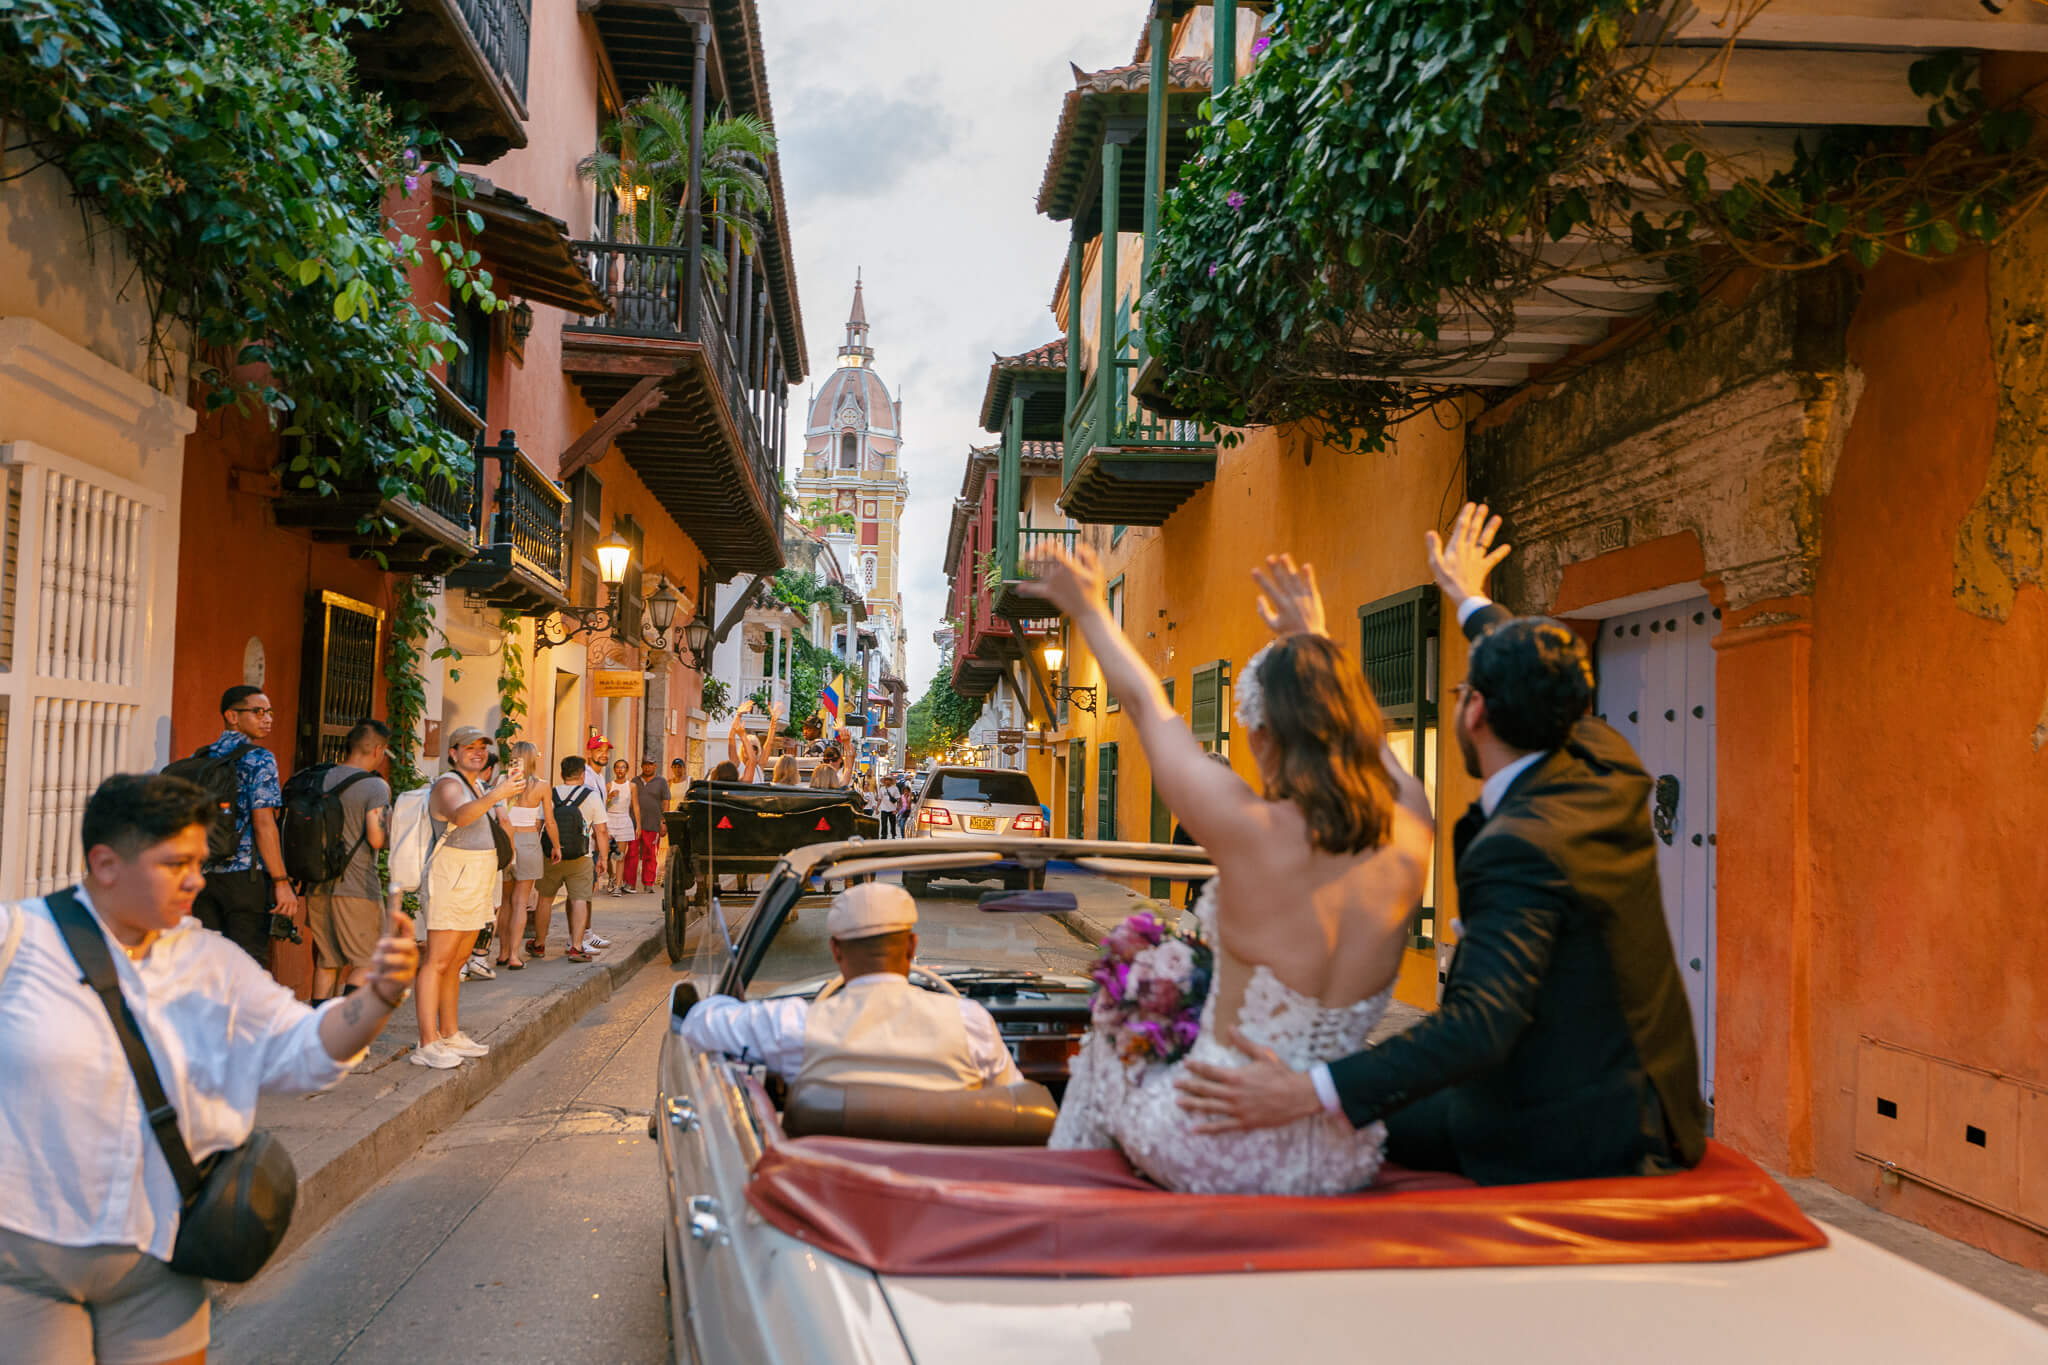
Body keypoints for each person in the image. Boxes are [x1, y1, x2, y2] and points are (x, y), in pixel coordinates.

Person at [1175, 504, 1709, 1186]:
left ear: (1475, 711)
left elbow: (1479, 1024)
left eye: (1462, 691)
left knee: (1338, 1128)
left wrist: (1308, 1091)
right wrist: (1468, 598)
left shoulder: (1519, 846)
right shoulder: (1610, 763)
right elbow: (1549, 682)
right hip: (1653, 1103)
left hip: (1578, 1132)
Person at [1024, 539, 1434, 1194]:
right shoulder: (1413, 824)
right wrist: (1315, 642)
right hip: (1335, 1158)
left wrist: (1090, 609)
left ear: (1268, 736)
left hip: (1213, 1146)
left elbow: (1147, 707)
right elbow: (1375, 755)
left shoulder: (1249, 829)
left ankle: (1060, 1211)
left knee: (1109, 1033)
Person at [0, 772, 417, 1365]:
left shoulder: (213, 962)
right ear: (106, 863)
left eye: (199, 860)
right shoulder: (18, 941)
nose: (196, 879)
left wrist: (375, 1000)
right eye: (176, 863)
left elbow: (301, 1049)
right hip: (24, 1262)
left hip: (161, 1259)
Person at [678, 883, 1023, 1090]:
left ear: (836, 950)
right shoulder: (970, 1023)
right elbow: (1013, 1103)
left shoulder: (797, 1026)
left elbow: (698, 1023)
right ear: (912, 947)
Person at [413, 727, 522, 1069]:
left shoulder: (478, 785)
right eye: (468, 747)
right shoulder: (448, 783)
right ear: (453, 753)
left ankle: (449, 1032)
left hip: (475, 878)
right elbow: (459, 816)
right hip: (452, 878)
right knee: (438, 960)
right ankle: (427, 1042)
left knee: (458, 962)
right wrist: (498, 794)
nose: (477, 752)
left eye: (482, 747)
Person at [190, 685, 297, 966]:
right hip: (245, 880)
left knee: (208, 967)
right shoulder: (259, 759)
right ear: (232, 716)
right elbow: (264, 824)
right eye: (258, 711)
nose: (268, 718)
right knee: (248, 968)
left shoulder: (200, 759)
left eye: (269, 712)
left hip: (204, 876)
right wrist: (281, 882)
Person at [307, 719, 393, 1002]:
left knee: (327, 962)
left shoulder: (319, 777)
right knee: (368, 962)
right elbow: (377, 839)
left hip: (318, 883)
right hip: (357, 886)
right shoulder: (374, 787)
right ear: (378, 750)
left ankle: (320, 1036)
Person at [529, 756, 604, 964]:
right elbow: (602, 830)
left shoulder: (550, 794)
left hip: (551, 855)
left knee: (545, 899)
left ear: (561, 774)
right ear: (582, 776)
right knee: (579, 899)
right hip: (582, 856)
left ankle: (539, 944)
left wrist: (536, 850)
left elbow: (538, 824)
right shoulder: (592, 796)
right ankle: (577, 947)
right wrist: (603, 858)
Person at [494, 742, 559, 971]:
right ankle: (514, 955)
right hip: (529, 841)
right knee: (521, 902)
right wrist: (557, 846)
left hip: (504, 842)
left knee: (504, 902)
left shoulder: (502, 782)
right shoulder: (542, 786)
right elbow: (549, 821)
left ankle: (501, 953)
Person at [625, 758, 669, 893]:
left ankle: (648, 883)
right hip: (634, 824)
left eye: (650, 765)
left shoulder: (661, 782)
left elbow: (666, 802)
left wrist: (663, 822)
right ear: (641, 766)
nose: (647, 767)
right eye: (645, 765)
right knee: (631, 853)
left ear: (655, 766)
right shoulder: (634, 781)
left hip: (653, 823)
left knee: (650, 854)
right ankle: (629, 883)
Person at [603, 758, 636, 898]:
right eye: (617, 767)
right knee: (609, 853)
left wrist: (638, 825)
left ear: (627, 770)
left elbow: (636, 806)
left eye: (623, 767)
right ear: (614, 770)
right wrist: (609, 796)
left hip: (624, 819)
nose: (620, 770)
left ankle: (617, 885)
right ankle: (612, 876)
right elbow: (602, 805)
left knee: (620, 856)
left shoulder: (632, 786)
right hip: (610, 819)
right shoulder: (609, 785)